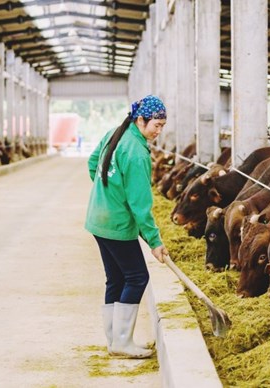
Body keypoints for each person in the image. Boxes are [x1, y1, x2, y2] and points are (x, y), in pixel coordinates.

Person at [85, 95, 169, 358]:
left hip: (99, 219)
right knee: (137, 277)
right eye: (156, 125)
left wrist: (106, 194)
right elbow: (140, 205)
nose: (159, 131)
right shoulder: (136, 152)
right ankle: (122, 342)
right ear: (140, 120)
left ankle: (115, 341)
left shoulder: (115, 134)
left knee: (117, 278)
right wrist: (155, 241)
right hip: (117, 224)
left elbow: (92, 164)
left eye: (163, 126)